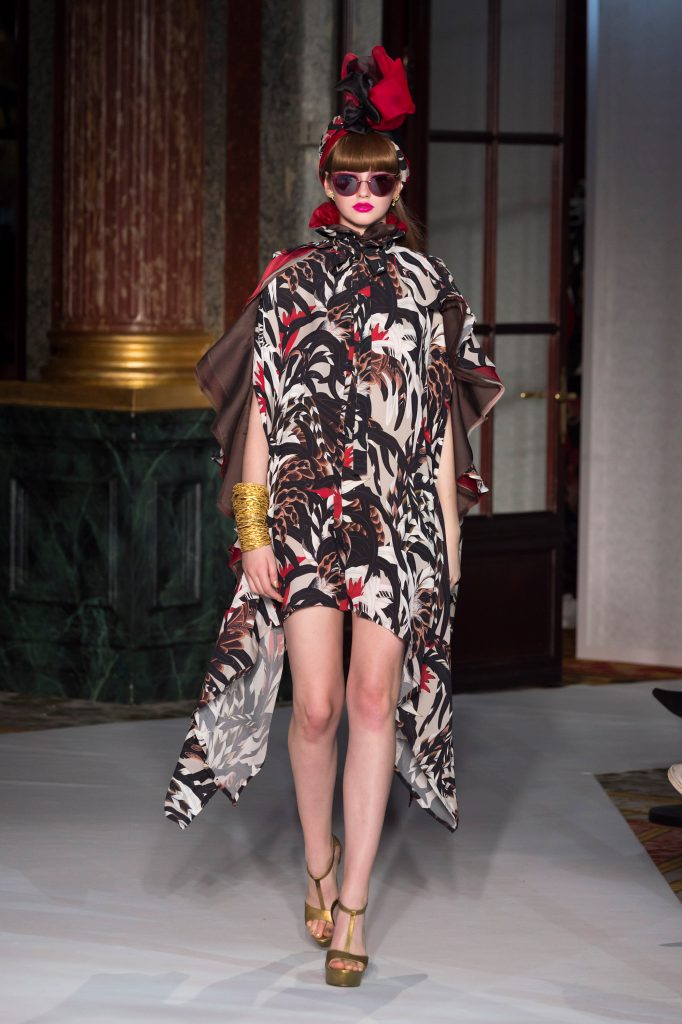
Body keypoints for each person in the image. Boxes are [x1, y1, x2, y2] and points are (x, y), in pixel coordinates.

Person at [164, 46, 505, 988]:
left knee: (371, 701)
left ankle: (352, 903)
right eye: (347, 179)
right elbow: (260, 419)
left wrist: (452, 540)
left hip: (400, 523)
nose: (362, 192)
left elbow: (440, 427)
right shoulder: (287, 283)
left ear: (400, 183)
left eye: (378, 179)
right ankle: (318, 859)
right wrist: (252, 533)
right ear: (325, 181)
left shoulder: (430, 287)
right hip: (305, 520)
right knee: (312, 709)